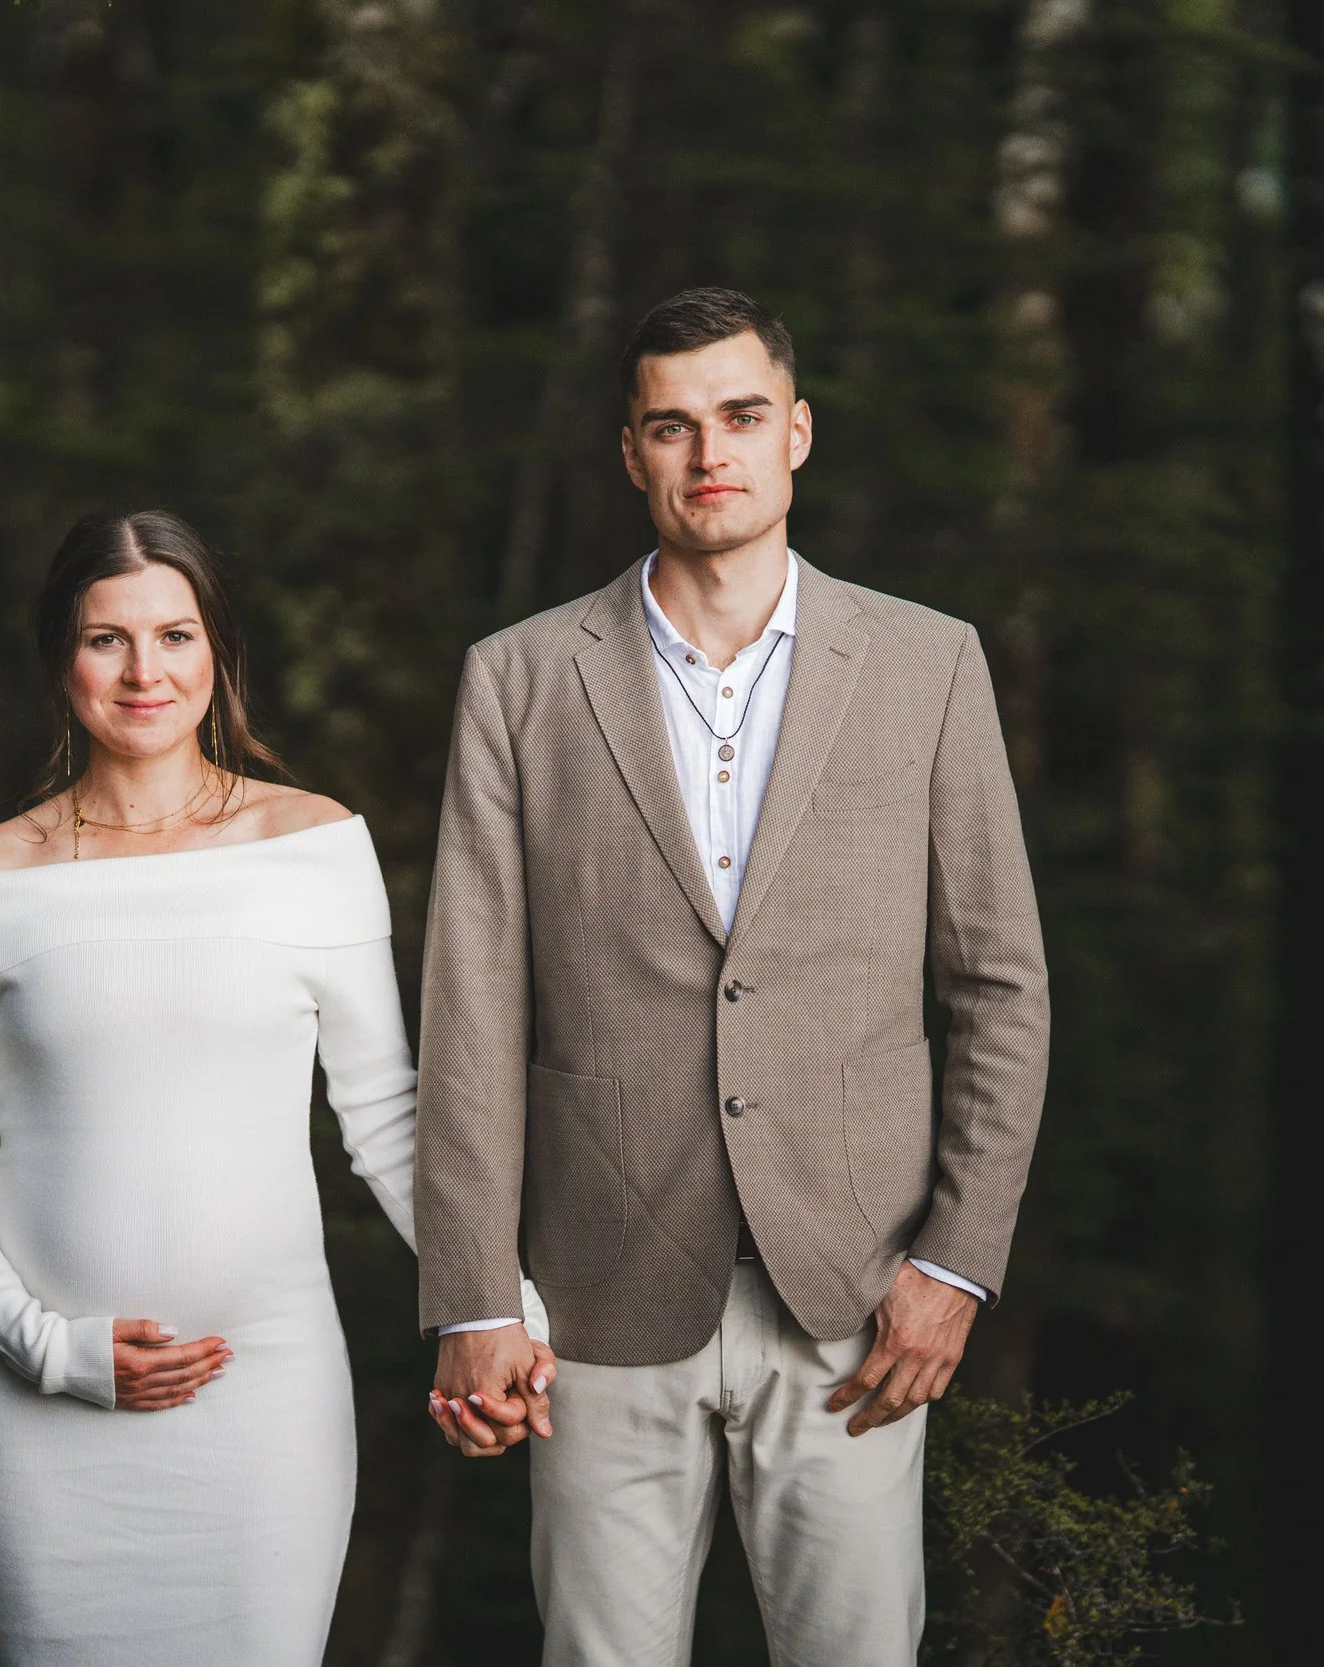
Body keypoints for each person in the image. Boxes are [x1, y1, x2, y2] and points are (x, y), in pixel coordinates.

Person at [415, 288, 1051, 1666]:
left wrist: (956, 1261)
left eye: (742, 416)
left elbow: (1000, 982)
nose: (711, 450)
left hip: (858, 1297)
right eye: (672, 424)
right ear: (630, 452)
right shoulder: (517, 680)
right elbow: (471, 1007)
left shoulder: (930, 664)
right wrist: (472, 1292)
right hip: (592, 1301)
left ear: (798, 433)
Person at [0, 509, 545, 1665]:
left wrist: (500, 1308)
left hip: (266, 1401)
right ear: (60, 659)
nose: (146, 673)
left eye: (176, 635)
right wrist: (44, 1344)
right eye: (108, 640)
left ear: (218, 652)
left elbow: (385, 1116)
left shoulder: (313, 845)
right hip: (38, 1411)